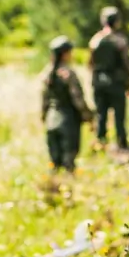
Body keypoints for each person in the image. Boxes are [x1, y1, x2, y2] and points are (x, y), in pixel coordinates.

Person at [41, 35, 93, 174]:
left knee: (54, 163)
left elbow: (44, 100)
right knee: (69, 163)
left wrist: (44, 117)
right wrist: (89, 117)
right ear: (65, 54)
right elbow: (78, 99)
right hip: (68, 121)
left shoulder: (47, 74)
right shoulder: (68, 74)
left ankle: (53, 185)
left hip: (51, 120)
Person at [88, 6, 129, 152]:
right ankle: (122, 144)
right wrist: (128, 83)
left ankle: (101, 143)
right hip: (116, 82)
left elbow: (90, 64)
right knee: (119, 116)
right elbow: (126, 64)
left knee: (101, 115)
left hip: (99, 83)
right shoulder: (120, 40)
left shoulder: (95, 40)